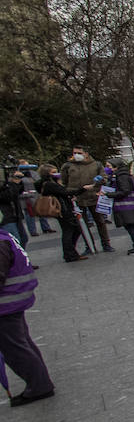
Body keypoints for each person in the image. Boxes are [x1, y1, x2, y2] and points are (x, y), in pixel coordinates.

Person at [0, 231, 55, 406]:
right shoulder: (4, 236)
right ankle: (40, 382)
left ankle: (39, 386)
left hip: (6, 303)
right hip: (13, 300)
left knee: (14, 347)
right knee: (21, 342)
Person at [61, 146, 114, 253]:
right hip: (77, 199)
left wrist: (95, 184)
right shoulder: (68, 166)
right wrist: (70, 193)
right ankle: (89, 246)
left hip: (94, 196)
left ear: (86, 153)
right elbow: (64, 182)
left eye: (79, 153)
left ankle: (106, 244)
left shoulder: (96, 164)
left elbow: (104, 178)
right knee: (83, 224)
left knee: (100, 222)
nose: (76, 155)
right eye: (74, 152)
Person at [38, 165, 84, 263]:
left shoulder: (46, 183)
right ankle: (70, 254)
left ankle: (71, 252)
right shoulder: (50, 184)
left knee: (72, 230)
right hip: (63, 209)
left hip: (63, 208)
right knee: (70, 230)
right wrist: (83, 189)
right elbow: (65, 192)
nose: (57, 174)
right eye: (53, 172)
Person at [105, 158, 134, 254]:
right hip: (128, 205)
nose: (107, 168)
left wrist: (108, 194)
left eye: (109, 166)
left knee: (131, 226)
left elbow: (124, 191)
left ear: (116, 166)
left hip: (125, 205)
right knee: (132, 226)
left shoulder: (121, 176)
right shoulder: (122, 175)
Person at [1, 171, 30, 248]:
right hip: (6, 218)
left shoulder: (6, 183)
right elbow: (7, 196)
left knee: (23, 239)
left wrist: (17, 182)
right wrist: (14, 183)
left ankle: (20, 259)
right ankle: (17, 259)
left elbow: (18, 192)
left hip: (14, 215)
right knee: (15, 243)